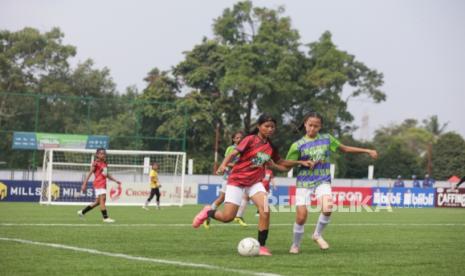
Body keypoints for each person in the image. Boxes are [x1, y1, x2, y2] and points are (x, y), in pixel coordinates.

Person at [192, 114, 312, 256]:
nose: (270, 129)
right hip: (237, 181)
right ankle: (208, 212)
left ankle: (261, 246)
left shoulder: (271, 147)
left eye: (272, 127)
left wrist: (299, 163)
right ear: (259, 127)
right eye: (266, 126)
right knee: (227, 217)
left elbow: (280, 163)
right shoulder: (249, 139)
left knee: (265, 209)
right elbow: (233, 154)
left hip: (255, 183)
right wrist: (223, 165)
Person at [274, 112, 377, 254]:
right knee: (301, 216)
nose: (312, 128)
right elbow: (286, 165)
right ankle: (295, 244)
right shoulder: (297, 145)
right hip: (304, 183)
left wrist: (367, 150)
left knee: (328, 207)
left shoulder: (327, 139)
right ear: (305, 124)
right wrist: (299, 162)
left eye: (316, 126)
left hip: (323, 180)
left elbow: (345, 149)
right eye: (310, 125)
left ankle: (317, 235)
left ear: (320, 126)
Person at [203, 131, 249, 229]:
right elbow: (227, 162)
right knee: (221, 199)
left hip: (240, 178)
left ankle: (239, 216)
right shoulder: (231, 149)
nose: (239, 139)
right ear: (233, 139)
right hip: (229, 178)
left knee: (245, 197)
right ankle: (207, 215)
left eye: (241, 137)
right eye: (237, 138)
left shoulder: (245, 149)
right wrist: (239, 165)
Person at [78, 148, 122, 223]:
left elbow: (106, 174)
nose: (103, 155)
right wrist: (84, 184)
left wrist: (115, 180)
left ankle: (82, 212)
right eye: (101, 153)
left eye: (104, 153)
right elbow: (89, 173)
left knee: (98, 202)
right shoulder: (96, 163)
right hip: (99, 183)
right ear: (97, 155)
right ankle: (105, 218)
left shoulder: (104, 163)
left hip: (103, 184)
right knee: (103, 199)